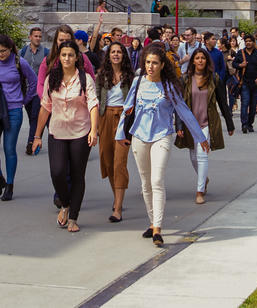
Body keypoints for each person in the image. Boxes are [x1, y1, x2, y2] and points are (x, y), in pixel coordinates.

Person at [117, 45, 207, 247]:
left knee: (157, 180)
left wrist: (200, 137)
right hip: (139, 135)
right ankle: (151, 222)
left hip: (162, 136)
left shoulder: (169, 86)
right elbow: (127, 109)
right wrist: (119, 134)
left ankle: (158, 227)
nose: (150, 66)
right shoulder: (137, 82)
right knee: (145, 182)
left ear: (162, 65)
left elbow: (183, 111)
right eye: (147, 62)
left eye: (154, 63)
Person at [32, 42, 100, 232]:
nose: (67, 59)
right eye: (64, 55)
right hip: (57, 132)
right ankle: (65, 203)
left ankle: (73, 217)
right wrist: (37, 135)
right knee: (58, 172)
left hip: (80, 132)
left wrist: (94, 130)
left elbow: (93, 104)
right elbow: (46, 107)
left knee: (78, 175)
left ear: (77, 58)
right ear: (59, 57)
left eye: (71, 55)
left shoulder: (85, 79)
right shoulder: (51, 79)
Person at [0, 35, 37, 202]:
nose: (0, 54)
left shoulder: (20, 63)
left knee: (9, 148)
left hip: (13, 110)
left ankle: (10, 184)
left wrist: (22, 101)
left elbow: (33, 83)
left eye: (3, 51)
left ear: (10, 48)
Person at [179, 47, 232, 204]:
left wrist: (229, 124)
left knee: (202, 156)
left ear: (207, 61)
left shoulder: (214, 79)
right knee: (193, 157)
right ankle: (204, 179)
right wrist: (179, 126)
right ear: (193, 61)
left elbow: (223, 102)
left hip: (206, 123)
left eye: (203, 58)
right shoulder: (185, 79)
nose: (200, 61)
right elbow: (179, 105)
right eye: (197, 58)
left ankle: (199, 191)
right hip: (190, 124)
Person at [93, 41, 134, 223]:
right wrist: (94, 127)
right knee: (108, 162)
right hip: (105, 117)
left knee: (119, 163)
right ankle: (116, 196)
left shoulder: (130, 76)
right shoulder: (101, 75)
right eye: (113, 52)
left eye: (119, 52)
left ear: (124, 55)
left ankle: (118, 208)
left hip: (123, 119)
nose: (116, 54)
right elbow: (95, 99)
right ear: (108, 55)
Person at [19, 26, 49, 154]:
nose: (38, 38)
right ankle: (37, 138)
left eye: (40, 36)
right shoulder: (23, 52)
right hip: (26, 90)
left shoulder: (46, 52)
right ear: (30, 37)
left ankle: (31, 142)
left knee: (34, 116)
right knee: (31, 115)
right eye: (35, 36)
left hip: (39, 90)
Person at [234, 34, 257, 133]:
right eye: (246, 41)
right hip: (244, 82)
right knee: (245, 103)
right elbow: (234, 64)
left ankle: (250, 123)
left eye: (250, 41)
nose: (248, 43)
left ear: (253, 42)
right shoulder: (241, 53)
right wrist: (240, 65)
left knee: (253, 105)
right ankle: (244, 124)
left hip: (255, 83)